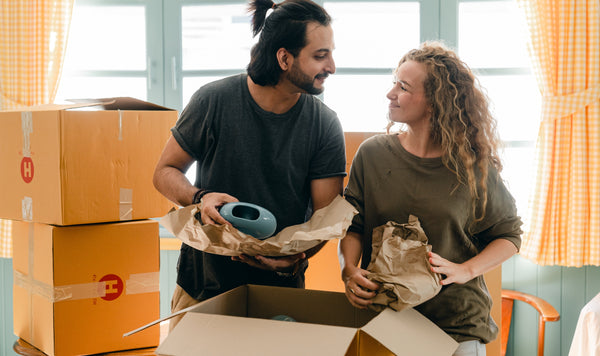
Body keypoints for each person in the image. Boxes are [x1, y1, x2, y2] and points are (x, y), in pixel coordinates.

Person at [153, 0, 346, 330]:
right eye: (320, 55)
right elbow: (164, 172)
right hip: (203, 288)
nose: (332, 66)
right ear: (284, 58)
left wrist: (293, 260)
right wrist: (200, 197)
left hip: (280, 294)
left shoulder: (324, 124)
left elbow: (324, 219)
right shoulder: (213, 100)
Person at [338, 41, 522, 356]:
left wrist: (466, 270)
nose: (390, 93)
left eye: (403, 86)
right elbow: (353, 225)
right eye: (393, 82)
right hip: (384, 321)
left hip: (456, 328)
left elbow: (510, 235)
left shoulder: (472, 167)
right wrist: (348, 270)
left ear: (436, 102)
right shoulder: (371, 155)